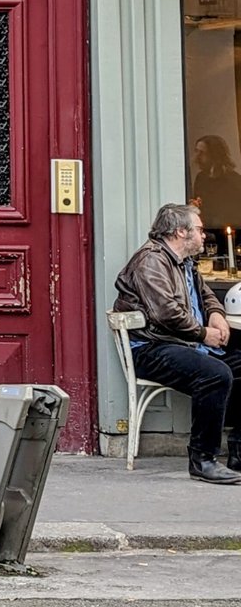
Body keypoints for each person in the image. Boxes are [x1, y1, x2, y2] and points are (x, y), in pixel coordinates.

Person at [113, 203, 241, 484]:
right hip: (151, 347)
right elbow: (166, 314)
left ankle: (238, 452)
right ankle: (203, 460)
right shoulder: (151, 261)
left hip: (182, 342)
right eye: (199, 229)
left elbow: (205, 294)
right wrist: (202, 334)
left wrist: (217, 315)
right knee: (215, 375)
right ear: (181, 232)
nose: (204, 235)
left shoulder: (183, 262)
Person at [192, 135, 241, 231]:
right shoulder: (201, 178)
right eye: (196, 151)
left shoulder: (233, 180)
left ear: (214, 155)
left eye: (202, 153)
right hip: (206, 231)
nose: (197, 157)